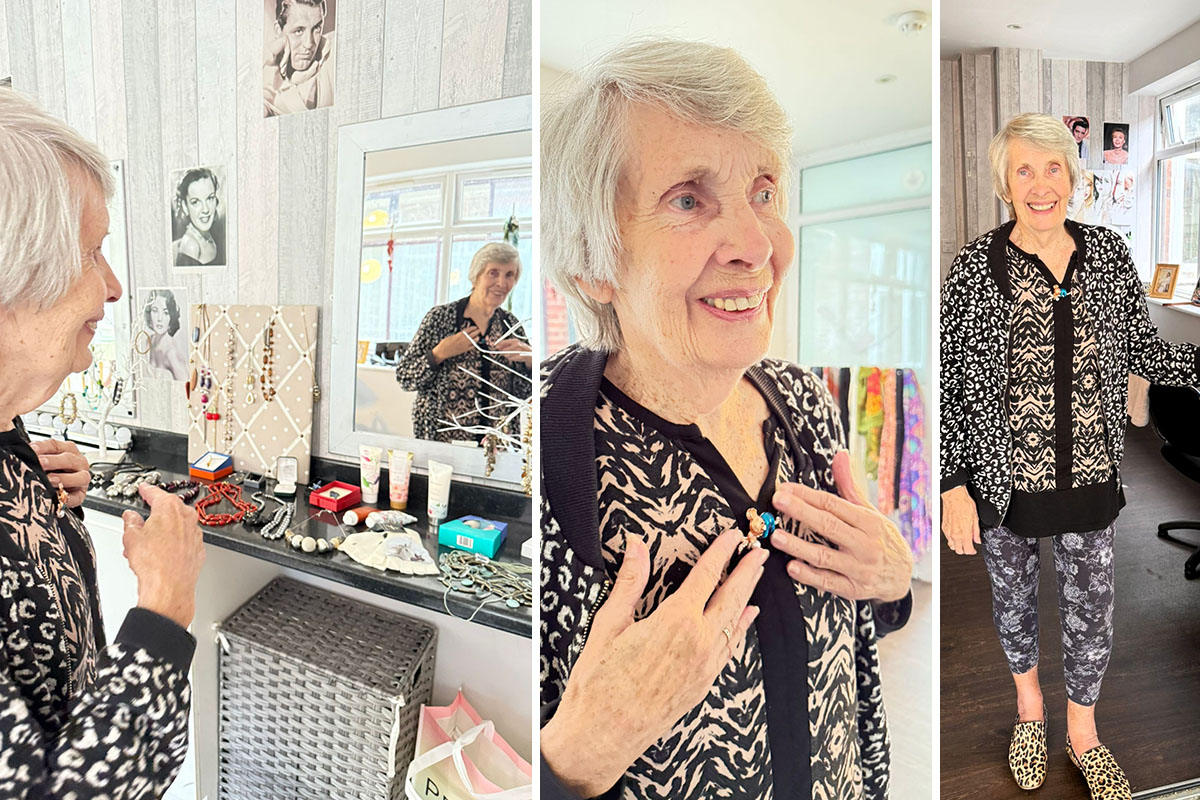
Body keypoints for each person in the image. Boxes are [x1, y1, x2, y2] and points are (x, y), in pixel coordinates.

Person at [538, 40, 914, 800]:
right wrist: (573, 755)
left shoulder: (802, 403)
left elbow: (851, 632)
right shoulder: (546, 451)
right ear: (591, 262)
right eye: (688, 199)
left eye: (765, 193)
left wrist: (892, 579)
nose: (756, 247)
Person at [941, 112, 1200, 797]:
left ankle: (1083, 733)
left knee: (1091, 608)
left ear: (1075, 177)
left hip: (1090, 473)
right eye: (1024, 169)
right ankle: (1030, 711)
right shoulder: (975, 266)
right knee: (1013, 600)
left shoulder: (1110, 254)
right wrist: (950, 484)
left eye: (1053, 166)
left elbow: (1142, 351)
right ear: (1004, 181)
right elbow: (950, 377)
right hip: (1002, 481)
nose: (1040, 183)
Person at [0, 90, 206, 796]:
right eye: (92, 252)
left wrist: (50, 502)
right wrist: (166, 602)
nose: (115, 287)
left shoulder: (10, 429)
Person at [396, 242, 531, 442]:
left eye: (509, 275)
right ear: (476, 276)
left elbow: (524, 395)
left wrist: (529, 359)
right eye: (493, 273)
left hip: (495, 447)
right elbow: (405, 377)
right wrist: (439, 353)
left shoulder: (510, 326)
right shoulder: (440, 318)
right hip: (443, 442)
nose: (502, 283)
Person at [263, 0, 336, 116]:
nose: (309, 44)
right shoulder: (267, 85)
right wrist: (268, 52)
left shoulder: (336, 49)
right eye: (298, 31)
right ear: (278, 30)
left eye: (316, 28)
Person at [172, 167, 225, 267]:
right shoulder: (191, 247)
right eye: (195, 202)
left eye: (210, 198)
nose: (205, 210)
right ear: (185, 206)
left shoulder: (208, 234)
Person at [144, 289, 188, 381]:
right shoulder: (148, 341)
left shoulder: (172, 353)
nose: (160, 318)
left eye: (166, 313)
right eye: (155, 311)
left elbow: (187, 388)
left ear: (171, 317)